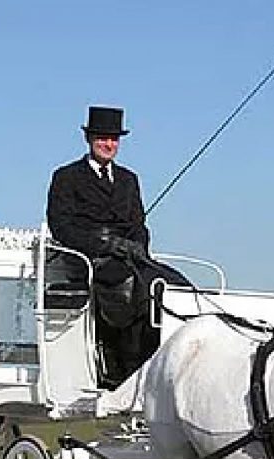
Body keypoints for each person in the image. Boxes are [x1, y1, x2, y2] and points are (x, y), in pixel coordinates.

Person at [46, 105, 188, 388]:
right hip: (87, 258)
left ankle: (159, 355)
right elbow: (61, 226)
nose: (108, 145)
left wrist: (136, 248)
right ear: (89, 140)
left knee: (169, 282)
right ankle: (120, 362)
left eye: (113, 140)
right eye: (102, 139)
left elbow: (139, 223)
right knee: (127, 284)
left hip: (128, 256)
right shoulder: (67, 177)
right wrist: (104, 244)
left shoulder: (128, 179)